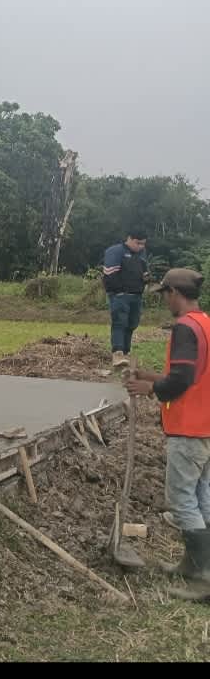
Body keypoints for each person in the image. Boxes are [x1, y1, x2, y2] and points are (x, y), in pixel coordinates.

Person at [123, 268, 210, 599]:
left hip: (188, 428)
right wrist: (150, 373)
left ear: (174, 292)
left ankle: (204, 576)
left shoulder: (185, 328)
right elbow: (192, 374)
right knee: (202, 496)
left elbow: (182, 380)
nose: (164, 300)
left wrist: (148, 388)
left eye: (164, 294)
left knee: (182, 498)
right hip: (206, 426)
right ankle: (194, 565)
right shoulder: (205, 323)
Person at [103, 230, 150, 368]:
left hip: (136, 295)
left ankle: (126, 352)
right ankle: (117, 354)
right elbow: (109, 273)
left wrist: (147, 281)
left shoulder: (141, 254)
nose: (140, 246)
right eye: (138, 243)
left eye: (143, 244)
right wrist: (118, 291)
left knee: (132, 324)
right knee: (119, 322)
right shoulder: (116, 251)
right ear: (129, 239)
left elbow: (145, 271)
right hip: (120, 295)